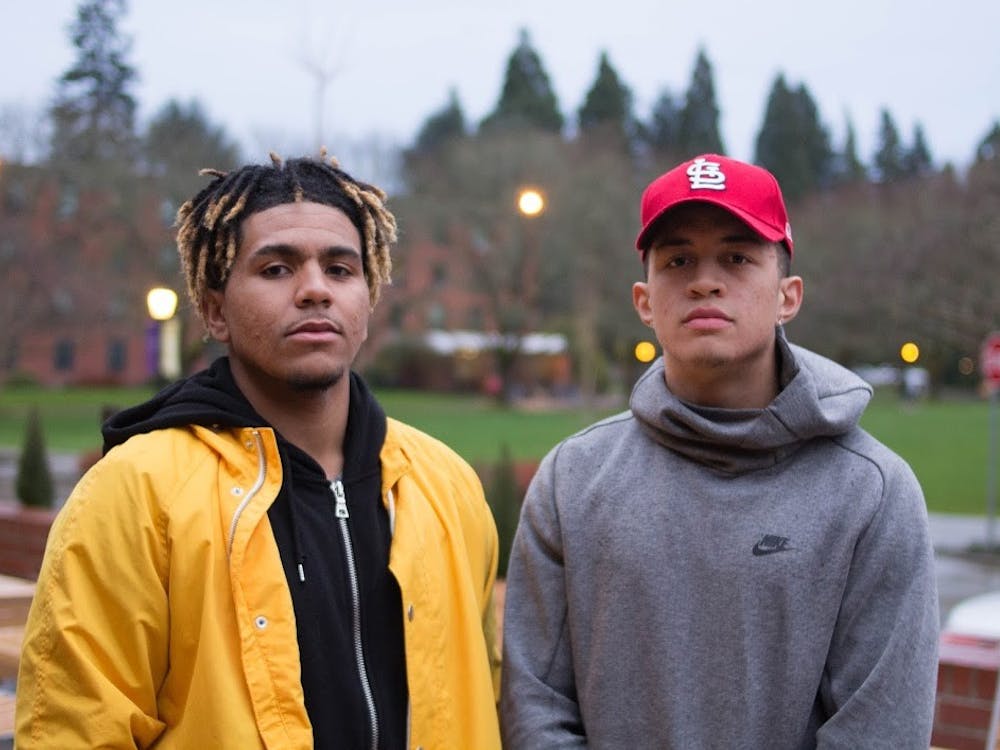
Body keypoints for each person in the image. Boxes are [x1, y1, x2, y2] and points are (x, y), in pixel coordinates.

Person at [16, 153, 502, 749]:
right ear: (216, 310)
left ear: (368, 305)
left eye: (341, 269)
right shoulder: (136, 493)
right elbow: (75, 729)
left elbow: (486, 697)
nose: (315, 290)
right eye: (276, 269)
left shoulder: (445, 486)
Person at [500, 154, 939, 748]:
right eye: (678, 260)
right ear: (644, 300)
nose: (705, 280)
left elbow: (879, 730)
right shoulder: (573, 479)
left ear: (788, 295)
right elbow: (536, 707)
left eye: (737, 257)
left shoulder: (873, 492)